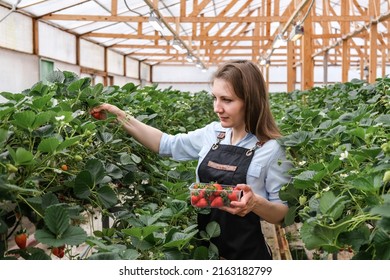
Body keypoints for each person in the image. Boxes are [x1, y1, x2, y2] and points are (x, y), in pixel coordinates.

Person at [90, 60, 292, 260]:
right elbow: (165, 144)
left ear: (251, 100)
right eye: (214, 98)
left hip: (247, 257)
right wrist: (119, 116)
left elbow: (282, 214)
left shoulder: (271, 149)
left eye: (227, 100)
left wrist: (255, 203)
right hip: (204, 251)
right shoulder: (213, 133)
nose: (217, 108)